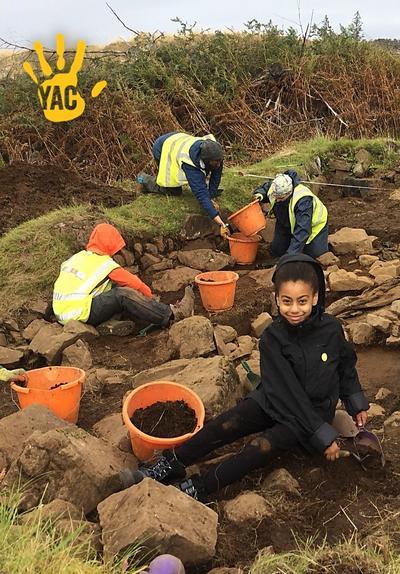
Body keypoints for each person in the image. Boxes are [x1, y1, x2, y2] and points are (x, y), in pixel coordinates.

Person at [117, 254, 369, 501]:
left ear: (315, 298)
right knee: (224, 424)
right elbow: (287, 393)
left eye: (302, 301)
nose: (294, 309)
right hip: (275, 400)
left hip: (309, 415)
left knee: (260, 448)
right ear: (276, 299)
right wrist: (324, 436)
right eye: (287, 301)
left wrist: (355, 403)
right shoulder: (273, 338)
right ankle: (171, 463)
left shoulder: (331, 329)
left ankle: (198, 487)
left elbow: (345, 367)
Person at [52, 223, 194, 331]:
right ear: (109, 244)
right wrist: (150, 297)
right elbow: (136, 284)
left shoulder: (76, 258)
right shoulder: (105, 264)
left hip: (62, 312)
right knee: (123, 294)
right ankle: (171, 315)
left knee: (113, 288)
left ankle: (109, 324)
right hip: (79, 313)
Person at [137, 132, 230, 238]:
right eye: (216, 162)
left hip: (177, 139)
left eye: (219, 161)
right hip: (163, 148)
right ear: (205, 159)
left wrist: (211, 195)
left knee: (208, 175)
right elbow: (201, 194)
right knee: (172, 190)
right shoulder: (190, 163)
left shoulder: (215, 153)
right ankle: (144, 179)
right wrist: (220, 222)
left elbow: (216, 175)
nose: (219, 164)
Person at [252, 170, 328, 258]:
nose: (277, 200)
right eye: (275, 197)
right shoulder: (276, 186)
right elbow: (266, 187)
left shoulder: (303, 200)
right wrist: (260, 194)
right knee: (277, 250)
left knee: (313, 255)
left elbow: (302, 230)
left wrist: (289, 256)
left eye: (280, 198)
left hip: (314, 226)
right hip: (285, 222)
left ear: (289, 193)